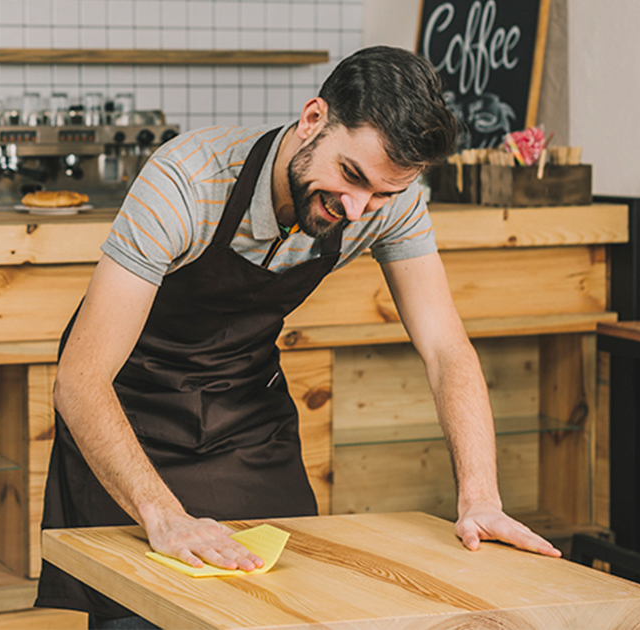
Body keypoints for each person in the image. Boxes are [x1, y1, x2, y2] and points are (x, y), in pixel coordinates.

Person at [36, 46, 562, 628]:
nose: (358, 209)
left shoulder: (386, 198)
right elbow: (81, 380)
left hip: (244, 417)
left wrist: (481, 496)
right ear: (313, 119)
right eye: (351, 175)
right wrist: (163, 515)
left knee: (290, 610)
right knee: (139, 612)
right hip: (129, 416)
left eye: (382, 195)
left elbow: (445, 349)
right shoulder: (184, 182)